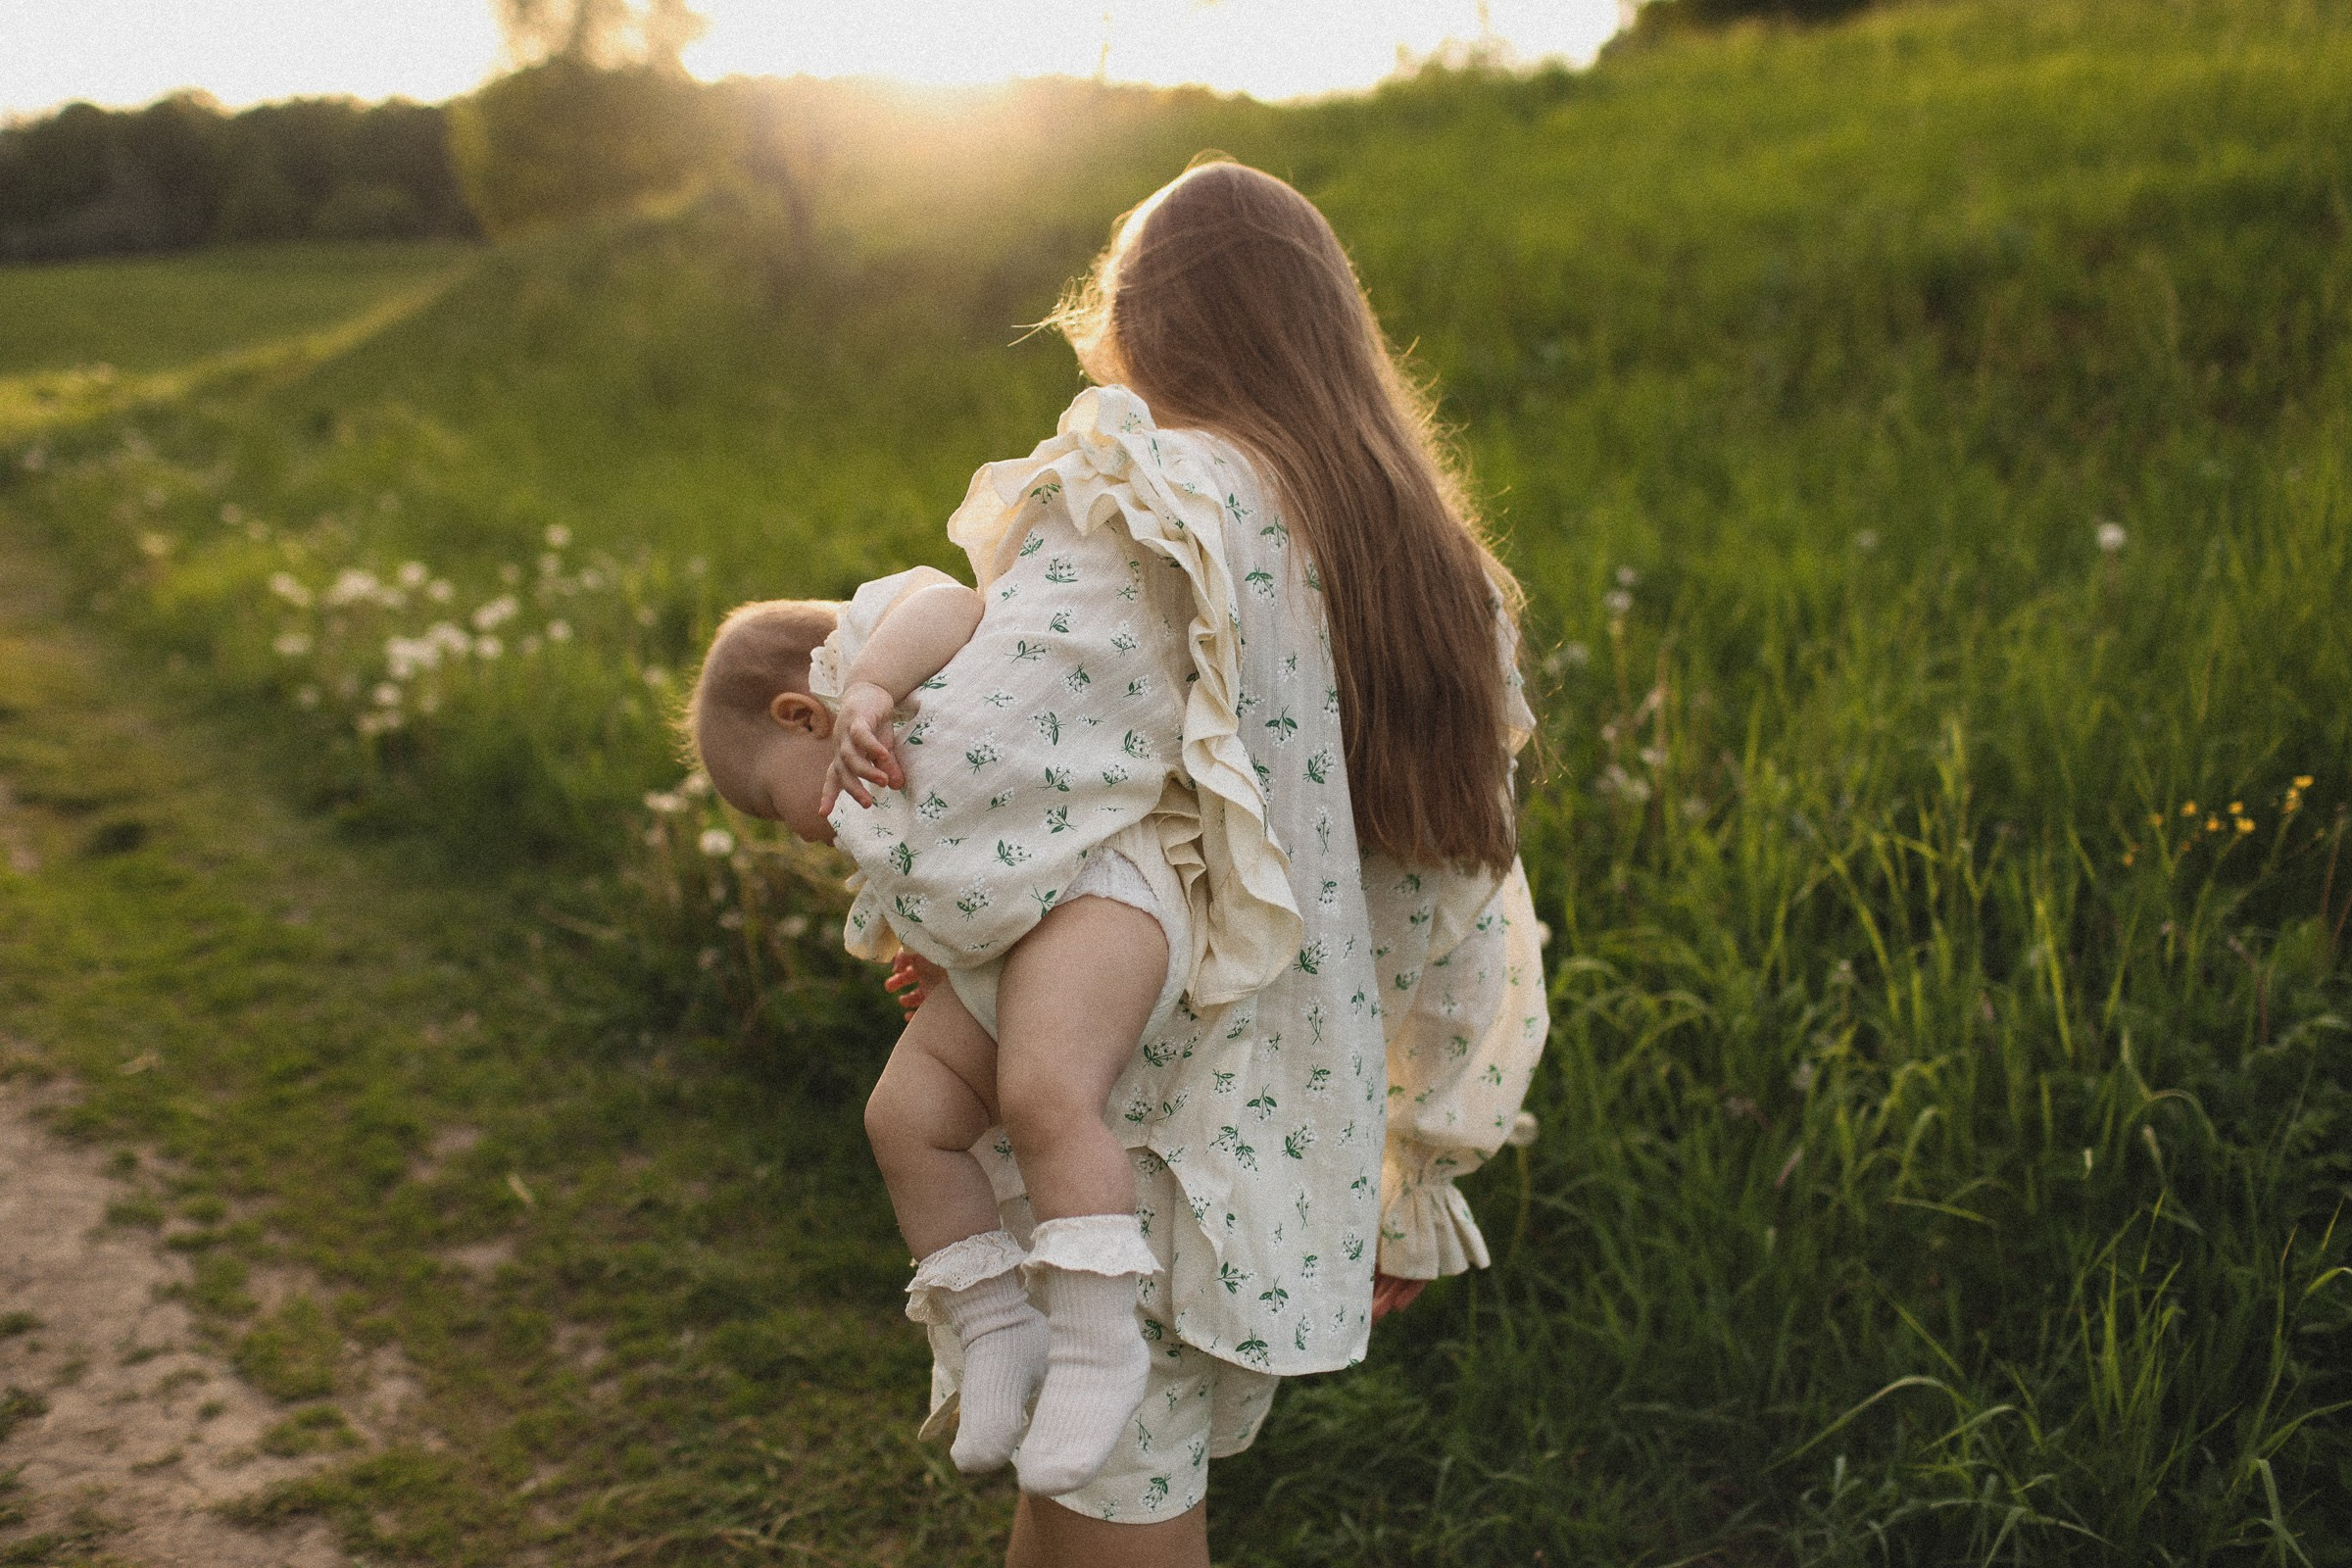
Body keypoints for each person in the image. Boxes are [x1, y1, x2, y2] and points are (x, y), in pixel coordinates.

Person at [720, 158, 1549, 1567]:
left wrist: (960, 912)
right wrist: (1416, 1166)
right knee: (1085, 1478)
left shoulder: (1143, 495)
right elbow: (1462, 901)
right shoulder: (1435, 571)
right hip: (1282, 1121)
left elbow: (1000, 754)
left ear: (1140, 325)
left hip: (1120, 1097)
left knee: (1118, 1504)